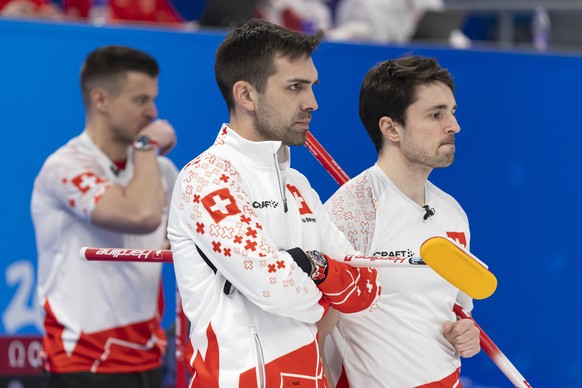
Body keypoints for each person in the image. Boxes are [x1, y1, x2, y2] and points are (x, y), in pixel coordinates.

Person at [167, 19, 380, 387]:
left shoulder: (298, 185)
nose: (312, 102)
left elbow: (366, 289)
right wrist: (325, 291)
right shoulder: (206, 178)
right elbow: (276, 287)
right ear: (246, 95)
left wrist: (314, 266)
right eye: (296, 87)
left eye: (312, 86)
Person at [321, 56, 480, 387]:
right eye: (436, 114)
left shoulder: (453, 212)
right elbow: (314, 332)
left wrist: (463, 332)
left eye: (452, 112)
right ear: (390, 128)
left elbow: (454, 309)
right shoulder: (352, 213)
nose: (454, 126)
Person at [31, 45, 178, 388]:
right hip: (81, 365)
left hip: (148, 360)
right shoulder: (63, 168)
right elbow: (140, 214)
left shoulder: (161, 170)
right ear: (100, 100)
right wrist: (146, 146)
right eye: (140, 100)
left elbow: (180, 245)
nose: (153, 111)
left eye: (153, 99)